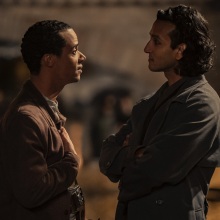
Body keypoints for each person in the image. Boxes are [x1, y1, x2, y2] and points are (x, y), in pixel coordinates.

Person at [99, 4, 220, 220]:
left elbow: (153, 170)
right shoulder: (147, 104)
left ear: (180, 50)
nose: (147, 48)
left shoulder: (202, 105)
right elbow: (107, 155)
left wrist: (128, 154)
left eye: (157, 41)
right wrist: (137, 154)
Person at [0, 20, 86, 220]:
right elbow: (32, 191)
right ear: (49, 60)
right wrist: (72, 163)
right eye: (73, 51)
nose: (82, 57)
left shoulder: (45, 108)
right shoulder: (26, 118)